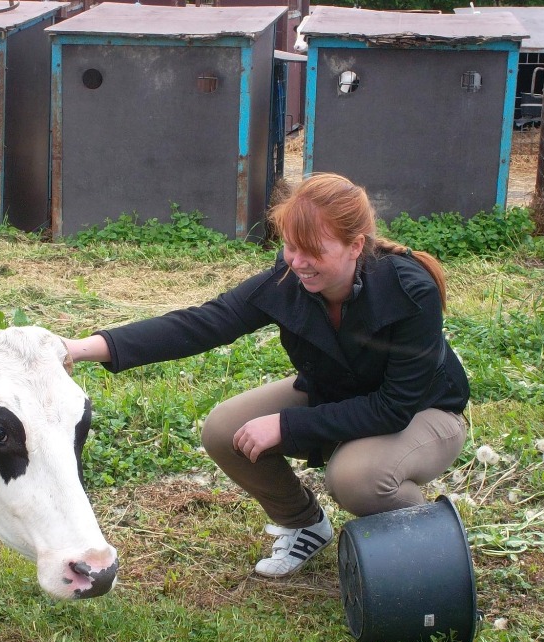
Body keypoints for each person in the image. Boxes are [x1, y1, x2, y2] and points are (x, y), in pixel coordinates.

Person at [64, 173, 469, 577]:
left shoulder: (410, 290)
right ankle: (304, 524)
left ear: (355, 246)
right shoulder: (289, 278)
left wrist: (287, 425)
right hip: (337, 396)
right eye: (291, 246)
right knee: (225, 429)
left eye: (313, 250)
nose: (298, 262)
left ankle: (427, 542)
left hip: (423, 413)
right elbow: (207, 322)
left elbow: (393, 408)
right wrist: (81, 348)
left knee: (356, 478)